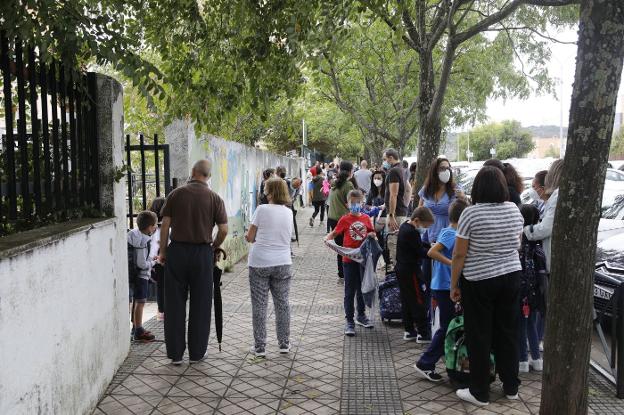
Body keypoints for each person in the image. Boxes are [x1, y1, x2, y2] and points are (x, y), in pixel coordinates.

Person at [450, 166, 524, 406]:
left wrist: (454, 284)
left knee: (479, 335)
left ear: (477, 187)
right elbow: (517, 243)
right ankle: (511, 386)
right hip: (511, 276)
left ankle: (479, 391)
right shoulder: (513, 209)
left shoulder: (470, 214)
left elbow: (459, 255)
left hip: (479, 280)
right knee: (508, 332)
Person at [159, 160, 228, 365]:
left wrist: (163, 251)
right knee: (201, 303)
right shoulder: (215, 198)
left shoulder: (176, 194)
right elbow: (223, 229)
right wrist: (214, 246)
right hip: (202, 254)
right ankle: (197, 353)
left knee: (174, 304)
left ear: (192, 172)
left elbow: (164, 226)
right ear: (209, 176)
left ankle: (176, 354)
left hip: (177, 252)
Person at [415, 200, 468, 381]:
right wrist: (452, 263)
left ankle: (436, 358)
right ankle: (425, 362)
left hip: (444, 286)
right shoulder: (452, 234)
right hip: (444, 286)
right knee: (447, 326)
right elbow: (432, 252)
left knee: (448, 325)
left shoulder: (451, 232)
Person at [245, 178, 294, 357]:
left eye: (265, 190)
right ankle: (284, 344)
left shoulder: (261, 209)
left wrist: (248, 235)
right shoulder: (288, 213)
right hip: (283, 262)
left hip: (260, 262)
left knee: (259, 305)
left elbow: (250, 237)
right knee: (282, 304)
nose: (264, 193)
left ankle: (260, 347)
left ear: (271, 193)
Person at [325, 189, 376, 336]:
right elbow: (335, 233)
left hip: (363, 259)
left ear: (362, 203)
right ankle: (349, 321)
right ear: (347, 204)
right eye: (352, 203)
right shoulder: (345, 219)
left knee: (362, 288)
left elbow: (371, 232)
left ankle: (361, 315)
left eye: (358, 202)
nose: (355, 205)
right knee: (349, 291)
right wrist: (327, 238)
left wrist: (373, 234)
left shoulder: (366, 218)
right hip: (348, 260)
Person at [394, 207, 435, 342]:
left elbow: (419, 244)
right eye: (425, 226)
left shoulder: (406, 227)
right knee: (419, 299)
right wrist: (435, 253)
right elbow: (420, 251)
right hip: (411, 271)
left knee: (407, 300)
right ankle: (423, 333)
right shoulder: (411, 232)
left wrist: (430, 245)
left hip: (402, 269)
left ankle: (409, 330)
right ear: (417, 220)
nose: (425, 229)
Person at [517, 204, 548, 373]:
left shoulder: (520, 238)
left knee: (520, 325)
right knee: (531, 325)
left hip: (521, 290)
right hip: (536, 289)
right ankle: (536, 359)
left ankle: (522, 360)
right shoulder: (538, 240)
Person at [524, 159, 563, 271]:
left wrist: (525, 231)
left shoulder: (556, 197)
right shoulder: (556, 195)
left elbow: (545, 228)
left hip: (554, 258)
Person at [128, 210, 158, 342]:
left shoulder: (133, 235)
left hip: (133, 274)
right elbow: (142, 263)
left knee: (136, 301)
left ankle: (135, 327)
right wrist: (154, 261)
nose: (156, 227)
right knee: (141, 302)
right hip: (141, 276)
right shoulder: (143, 241)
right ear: (150, 227)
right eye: (155, 225)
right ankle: (138, 330)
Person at [327, 161, 356, 281]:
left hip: (332, 218)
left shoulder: (335, 183)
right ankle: (347, 273)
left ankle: (341, 273)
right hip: (343, 220)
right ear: (349, 172)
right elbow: (354, 203)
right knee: (347, 247)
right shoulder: (348, 184)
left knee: (340, 248)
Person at [383, 149, 408, 266]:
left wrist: (392, 215)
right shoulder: (402, 170)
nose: (384, 162)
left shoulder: (393, 171)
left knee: (393, 245)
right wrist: (405, 205)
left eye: (385, 159)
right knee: (399, 245)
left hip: (396, 214)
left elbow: (394, 194)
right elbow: (408, 189)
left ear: (391, 158)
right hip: (401, 211)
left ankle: (397, 276)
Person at [149, 197, 166, 321]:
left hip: (154, 260)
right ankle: (166, 310)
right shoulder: (168, 224)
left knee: (160, 286)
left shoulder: (150, 226)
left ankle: (161, 312)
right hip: (165, 258)